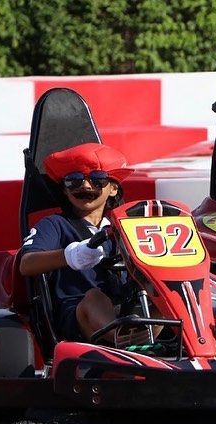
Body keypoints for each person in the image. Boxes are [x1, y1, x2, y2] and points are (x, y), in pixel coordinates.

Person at [19, 142, 134, 342]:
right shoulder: (55, 224)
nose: (86, 186)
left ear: (113, 188)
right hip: (78, 313)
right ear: (65, 190)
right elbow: (26, 264)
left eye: (97, 179)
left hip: (126, 306)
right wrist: (71, 255)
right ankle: (124, 340)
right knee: (95, 297)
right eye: (74, 181)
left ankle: (172, 337)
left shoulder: (124, 227)